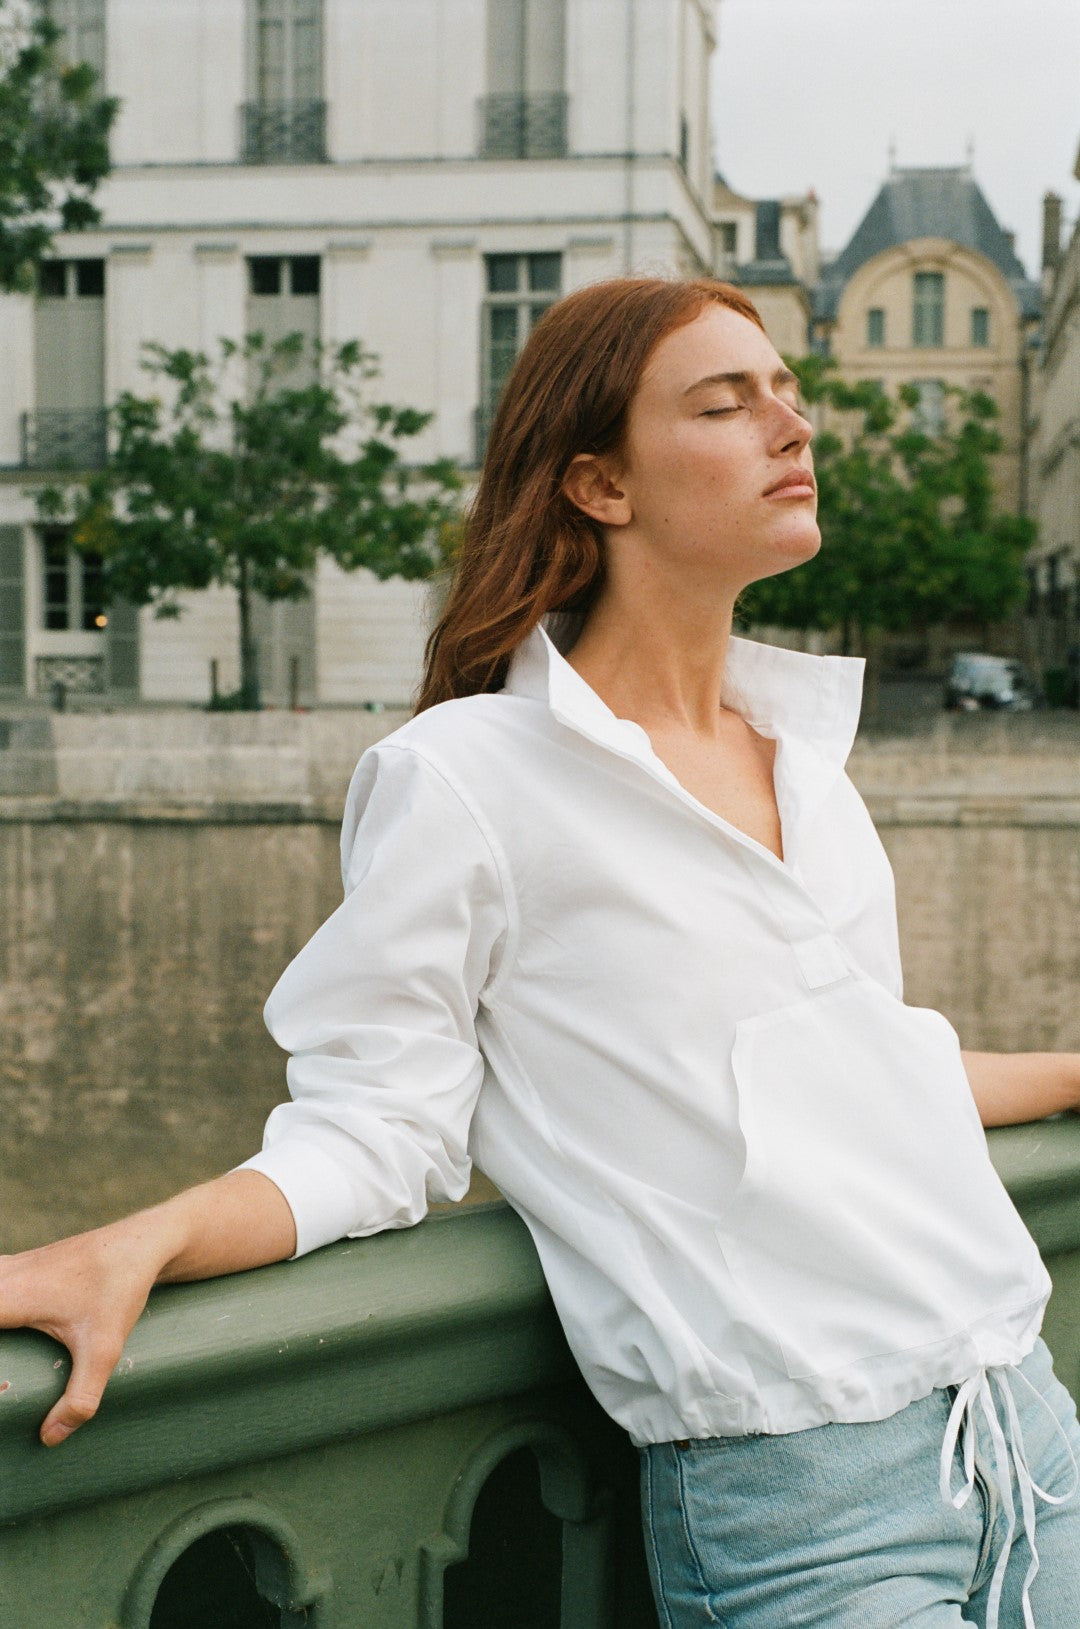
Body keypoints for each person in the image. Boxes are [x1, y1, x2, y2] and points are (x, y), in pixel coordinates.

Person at [3, 277, 1079, 1628]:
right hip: (810, 1506)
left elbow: (867, 1065)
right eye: (724, 401)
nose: (791, 425)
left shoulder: (811, 767)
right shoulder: (465, 781)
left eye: (786, 392)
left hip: (1026, 1429)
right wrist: (147, 1236)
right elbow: (381, 1127)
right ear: (600, 485)